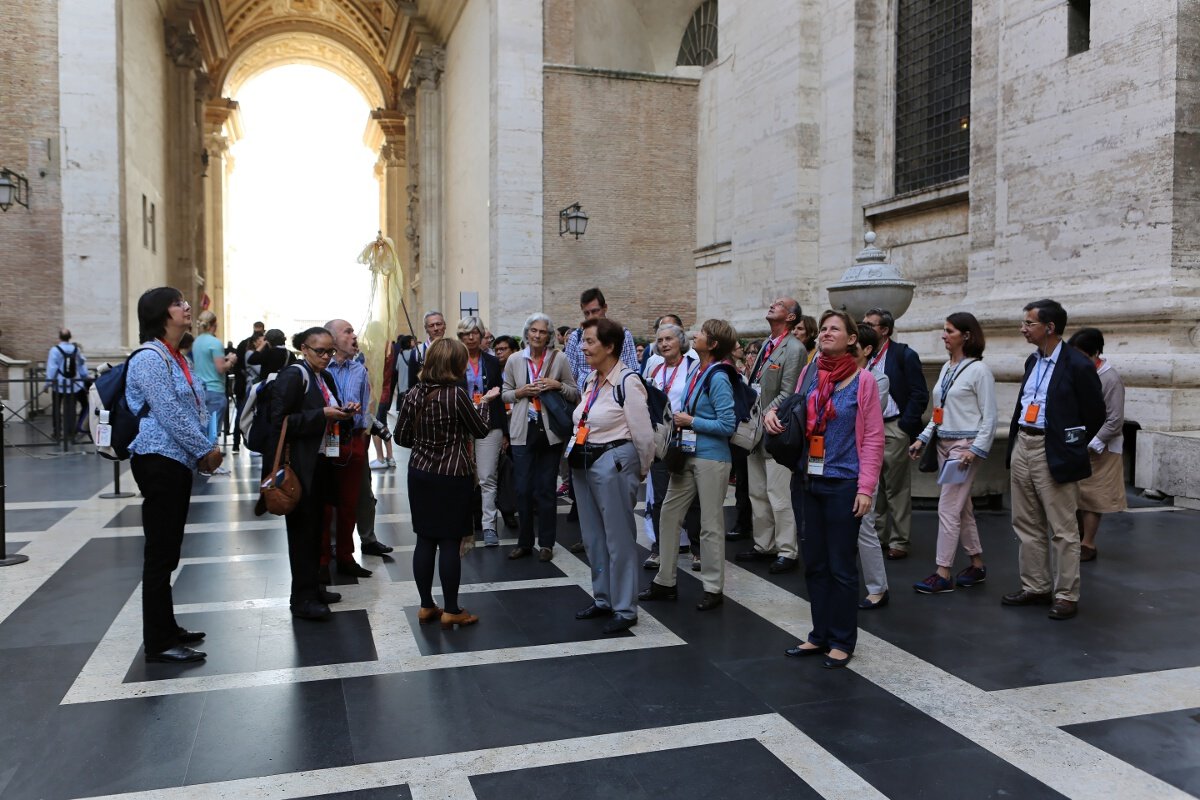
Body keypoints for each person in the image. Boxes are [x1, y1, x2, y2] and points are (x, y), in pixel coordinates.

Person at [765, 310, 884, 669]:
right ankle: (820, 633)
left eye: (835, 329)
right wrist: (775, 416)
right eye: (825, 328)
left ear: (851, 339)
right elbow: (793, 410)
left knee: (841, 566)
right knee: (814, 563)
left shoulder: (864, 382)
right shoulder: (808, 373)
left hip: (843, 483)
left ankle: (843, 639)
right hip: (807, 479)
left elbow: (874, 439)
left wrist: (866, 488)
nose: (827, 333)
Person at [126, 288, 223, 662]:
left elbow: (192, 406)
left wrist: (201, 449)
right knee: (160, 553)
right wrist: (204, 450)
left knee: (168, 553)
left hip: (175, 460)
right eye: (178, 302)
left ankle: (167, 627)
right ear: (160, 313)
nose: (186, 307)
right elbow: (168, 411)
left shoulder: (175, 355)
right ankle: (159, 642)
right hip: (158, 460)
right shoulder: (150, 358)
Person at [1002, 299, 1105, 621]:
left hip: (1054, 449)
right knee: (1026, 522)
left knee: (1063, 529)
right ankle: (1035, 586)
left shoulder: (1077, 364)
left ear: (1049, 328)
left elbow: (1095, 413)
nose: (1023, 329)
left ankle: (1066, 594)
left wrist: (1071, 446)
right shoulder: (1032, 362)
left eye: (1029, 323)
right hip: (1024, 443)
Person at [395, 338, 501, 629]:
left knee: (425, 539)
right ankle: (452, 609)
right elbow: (480, 430)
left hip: (420, 474)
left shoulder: (414, 393)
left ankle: (426, 606)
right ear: (455, 365)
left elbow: (400, 437)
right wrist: (486, 403)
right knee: (449, 542)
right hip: (452, 476)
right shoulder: (456, 395)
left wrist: (424, 443)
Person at [640, 319, 739, 610]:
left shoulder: (718, 376)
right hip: (688, 452)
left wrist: (691, 420)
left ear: (713, 344)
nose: (696, 335)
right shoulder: (699, 370)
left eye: (703, 334)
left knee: (710, 524)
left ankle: (713, 588)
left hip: (712, 458)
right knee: (669, 514)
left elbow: (728, 424)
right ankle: (665, 580)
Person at [571, 317, 656, 634]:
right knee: (593, 537)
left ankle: (624, 607)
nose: (583, 347)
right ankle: (603, 598)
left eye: (590, 341)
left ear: (610, 347)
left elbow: (645, 437)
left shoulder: (628, 382)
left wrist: (638, 470)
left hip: (615, 461)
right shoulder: (591, 381)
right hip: (585, 461)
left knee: (618, 538)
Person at [907, 312, 997, 594]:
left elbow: (990, 417)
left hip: (965, 448)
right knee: (963, 508)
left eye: (949, 331)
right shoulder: (947, 368)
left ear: (966, 335)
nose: (944, 336)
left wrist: (977, 449)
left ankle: (943, 571)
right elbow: (939, 412)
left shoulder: (979, 371)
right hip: (945, 445)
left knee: (947, 508)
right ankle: (977, 564)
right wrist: (923, 438)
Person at [736, 298, 805, 573]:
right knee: (757, 491)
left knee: (779, 493)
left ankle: (788, 551)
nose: (772, 305)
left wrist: (767, 413)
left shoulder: (795, 348)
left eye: (779, 304)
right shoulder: (767, 344)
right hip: (755, 429)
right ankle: (764, 544)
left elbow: (790, 392)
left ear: (790, 317)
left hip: (776, 429)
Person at [503, 313, 579, 560]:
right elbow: (504, 393)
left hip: (550, 432)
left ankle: (546, 543)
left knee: (546, 489)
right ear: (527, 333)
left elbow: (574, 393)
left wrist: (556, 385)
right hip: (522, 431)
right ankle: (524, 542)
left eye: (542, 332)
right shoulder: (515, 360)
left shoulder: (560, 359)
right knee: (523, 489)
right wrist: (520, 392)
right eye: (533, 330)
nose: (537, 335)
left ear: (549, 336)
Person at [861, 307, 928, 560]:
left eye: (870, 324)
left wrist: (905, 424)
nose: (864, 328)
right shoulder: (864, 355)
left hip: (893, 425)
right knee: (872, 483)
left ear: (885, 330)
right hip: (868, 427)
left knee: (896, 486)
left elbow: (919, 393)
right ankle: (877, 536)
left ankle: (900, 540)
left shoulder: (903, 354)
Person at [639, 322, 701, 570]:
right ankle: (659, 549)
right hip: (660, 439)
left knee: (692, 494)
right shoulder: (653, 368)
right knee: (660, 496)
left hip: (686, 436)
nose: (663, 344)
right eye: (660, 340)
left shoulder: (693, 368)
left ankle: (697, 549)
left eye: (669, 339)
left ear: (680, 342)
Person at [317, 319, 375, 580]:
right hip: (329, 439)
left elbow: (364, 409)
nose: (354, 336)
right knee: (328, 501)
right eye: (348, 331)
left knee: (350, 502)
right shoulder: (318, 369)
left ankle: (345, 555)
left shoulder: (359, 371)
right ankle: (322, 558)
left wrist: (359, 441)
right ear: (332, 338)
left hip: (353, 439)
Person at [1067, 328, 1126, 562]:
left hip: (1101, 447)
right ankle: (1079, 536)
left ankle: (1087, 543)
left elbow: (1115, 420)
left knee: (1093, 496)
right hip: (1078, 442)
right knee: (1076, 494)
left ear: (1095, 353)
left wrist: (1094, 442)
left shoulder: (1110, 379)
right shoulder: (1078, 373)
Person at [851, 324, 891, 610]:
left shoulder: (878, 380)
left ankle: (878, 587)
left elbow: (869, 422)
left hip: (862, 459)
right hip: (836, 460)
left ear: (866, 350)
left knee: (865, 524)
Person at [457, 316, 506, 547]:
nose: (470, 337)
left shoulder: (493, 362)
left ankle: (489, 526)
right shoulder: (454, 361)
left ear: (481, 334)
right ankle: (463, 523)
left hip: (489, 426)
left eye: (474, 332)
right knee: (463, 477)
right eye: (465, 333)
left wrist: (504, 432)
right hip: (461, 425)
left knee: (487, 477)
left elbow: (499, 399)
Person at [563, 287, 640, 386]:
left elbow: (632, 370)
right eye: (587, 313)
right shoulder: (575, 337)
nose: (591, 317)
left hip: (612, 394)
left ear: (605, 308)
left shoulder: (622, 334)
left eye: (595, 311)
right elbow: (570, 378)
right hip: (584, 396)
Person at [192, 311, 238, 468]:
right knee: (212, 430)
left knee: (202, 427)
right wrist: (231, 360)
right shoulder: (215, 342)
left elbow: (207, 363)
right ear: (214, 324)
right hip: (214, 389)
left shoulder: (197, 341)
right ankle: (209, 463)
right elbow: (220, 368)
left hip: (199, 389)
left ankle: (201, 459)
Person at [371, 333, 416, 470]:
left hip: (377, 393)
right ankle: (390, 456)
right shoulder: (389, 349)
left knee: (374, 426)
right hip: (385, 391)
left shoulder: (379, 353)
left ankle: (380, 457)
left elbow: (373, 375)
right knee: (383, 424)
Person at [45, 328, 89, 442]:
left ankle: (57, 433)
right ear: (70, 337)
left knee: (56, 408)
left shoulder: (54, 350)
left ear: (59, 337)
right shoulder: (76, 349)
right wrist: (85, 378)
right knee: (75, 407)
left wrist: (47, 384)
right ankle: (74, 430)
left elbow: (52, 369)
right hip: (75, 384)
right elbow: (81, 365)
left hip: (59, 384)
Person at [232, 322, 266, 454]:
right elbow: (259, 370)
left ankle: (240, 443)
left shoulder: (248, 349)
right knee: (242, 415)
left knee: (243, 414)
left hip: (248, 387)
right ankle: (239, 442)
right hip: (249, 388)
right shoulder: (250, 353)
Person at [406, 311, 447, 390]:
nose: (436, 328)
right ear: (426, 329)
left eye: (438, 324)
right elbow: (412, 385)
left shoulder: (454, 349)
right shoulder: (417, 352)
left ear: (444, 326)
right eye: (431, 326)